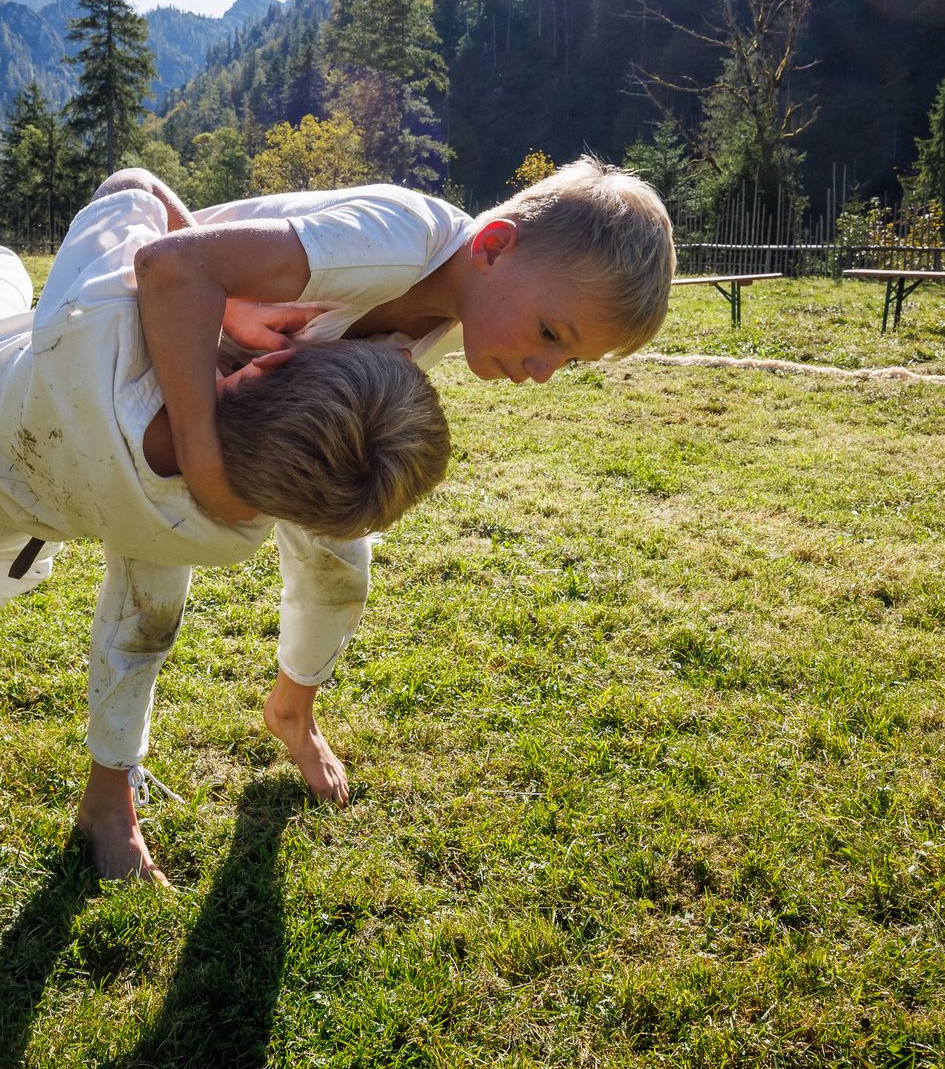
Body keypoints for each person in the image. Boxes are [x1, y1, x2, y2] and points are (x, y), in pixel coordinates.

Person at [0, 177, 452, 882]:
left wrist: (228, 304)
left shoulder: (104, 319)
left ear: (271, 357)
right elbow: (139, 624)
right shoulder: (214, 534)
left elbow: (131, 187)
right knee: (25, 544)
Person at [131, 156, 675, 806]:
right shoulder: (393, 242)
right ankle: (112, 780)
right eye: (551, 334)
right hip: (155, 364)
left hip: (284, 418)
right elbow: (174, 265)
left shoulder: (465, 301)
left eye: (569, 359)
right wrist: (204, 461)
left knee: (339, 572)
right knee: (140, 581)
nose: (542, 370)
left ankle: (291, 713)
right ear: (495, 248)